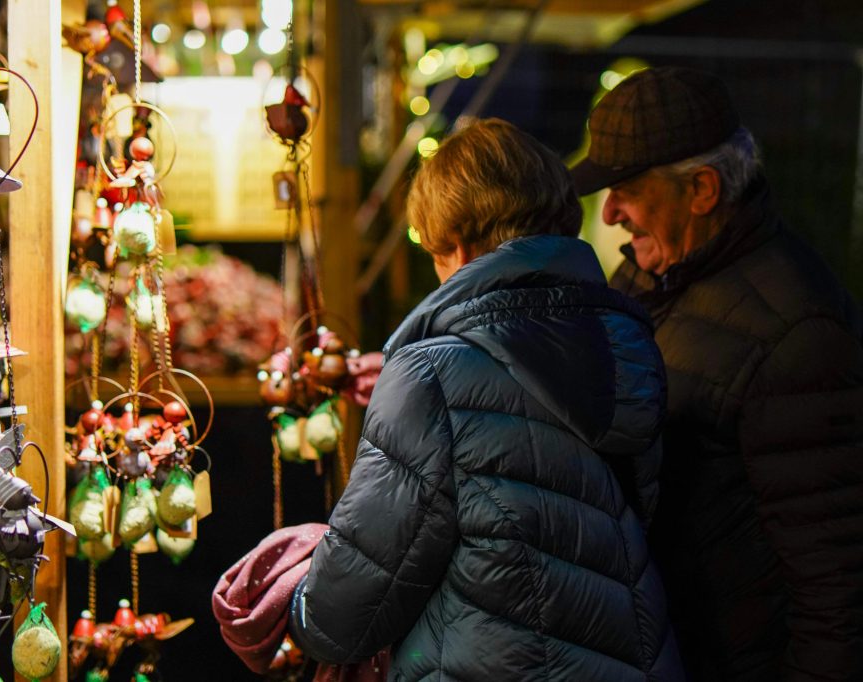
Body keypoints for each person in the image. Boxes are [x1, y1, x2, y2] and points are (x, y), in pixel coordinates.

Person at [286, 118, 682, 680]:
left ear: (462, 242)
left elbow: (345, 612)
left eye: (431, 250)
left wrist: (290, 598)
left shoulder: (430, 373)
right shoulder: (626, 345)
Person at [570, 66, 863, 681]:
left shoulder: (797, 333)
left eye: (626, 189)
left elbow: (835, 588)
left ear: (701, 190)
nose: (613, 212)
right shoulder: (646, 277)